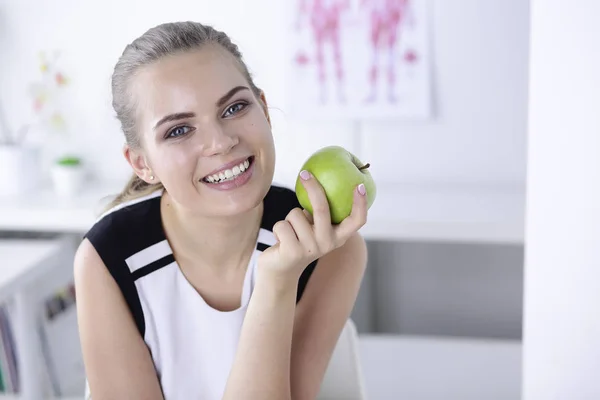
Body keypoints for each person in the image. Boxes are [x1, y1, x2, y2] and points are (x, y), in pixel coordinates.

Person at [74, 21, 369, 400]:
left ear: (263, 108)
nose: (221, 142)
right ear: (141, 163)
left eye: (234, 107)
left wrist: (278, 282)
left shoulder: (328, 244)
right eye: (179, 130)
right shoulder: (107, 258)